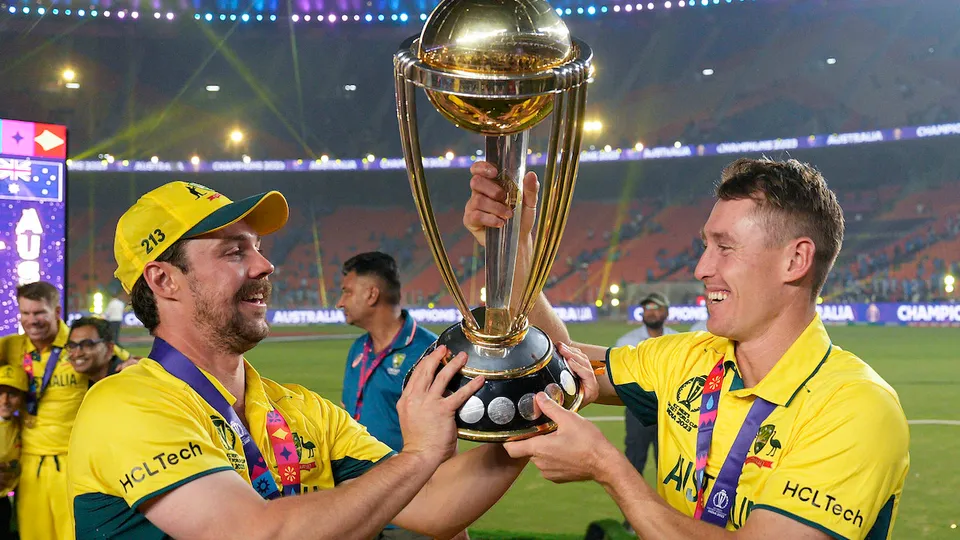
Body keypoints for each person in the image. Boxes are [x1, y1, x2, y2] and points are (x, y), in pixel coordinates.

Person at [68, 181, 593, 539]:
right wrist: (418, 455)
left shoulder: (300, 410)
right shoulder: (126, 405)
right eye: (234, 251)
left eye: (257, 246)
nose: (265, 264)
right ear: (163, 280)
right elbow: (253, 533)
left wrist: (517, 271)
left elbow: (434, 505)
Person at [463, 158, 909, 539]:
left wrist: (608, 467)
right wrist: (512, 253)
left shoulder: (856, 407)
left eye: (725, 248)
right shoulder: (685, 357)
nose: (701, 268)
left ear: (795, 260)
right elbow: (555, 360)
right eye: (705, 245)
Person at [338, 251, 444, 540]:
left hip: (410, 514)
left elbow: (444, 441)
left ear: (372, 294)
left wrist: (452, 520)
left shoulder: (428, 352)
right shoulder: (358, 349)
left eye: (347, 292)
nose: (340, 301)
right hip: (360, 507)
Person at [0, 281, 87, 540]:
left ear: (57, 311)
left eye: (39, 313)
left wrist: (128, 364)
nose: (31, 321)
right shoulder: (12, 346)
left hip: (73, 463)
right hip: (29, 467)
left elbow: (120, 364)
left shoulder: (80, 345)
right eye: (25, 313)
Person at [616, 292, 677, 534]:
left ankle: (671, 522)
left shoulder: (679, 341)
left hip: (670, 413)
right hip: (638, 413)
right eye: (647, 308)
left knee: (671, 467)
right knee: (634, 466)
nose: (650, 312)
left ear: (666, 312)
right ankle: (632, 520)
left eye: (656, 307)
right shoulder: (626, 342)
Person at [0, 365, 27, 540]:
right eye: (0, 393)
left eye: (12, 394)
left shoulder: (23, 425)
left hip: (8, 504)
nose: (4, 401)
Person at [66, 317, 132, 384]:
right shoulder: (80, 383)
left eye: (87, 344)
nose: (77, 354)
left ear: (109, 349)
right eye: (72, 345)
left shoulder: (128, 379)